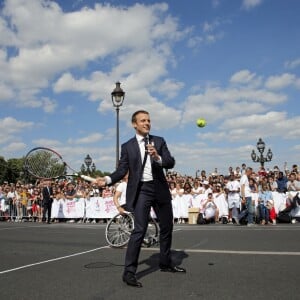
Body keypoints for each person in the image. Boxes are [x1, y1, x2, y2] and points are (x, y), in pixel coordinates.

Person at [96, 110, 186, 288]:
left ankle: (165, 263)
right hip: (142, 190)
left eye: (149, 120)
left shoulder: (159, 141)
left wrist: (157, 157)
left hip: (159, 188)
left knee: (167, 227)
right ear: (134, 124)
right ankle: (129, 273)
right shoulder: (127, 146)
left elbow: (170, 162)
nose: (147, 123)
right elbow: (122, 170)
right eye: (143, 120)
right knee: (139, 230)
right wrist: (106, 180)